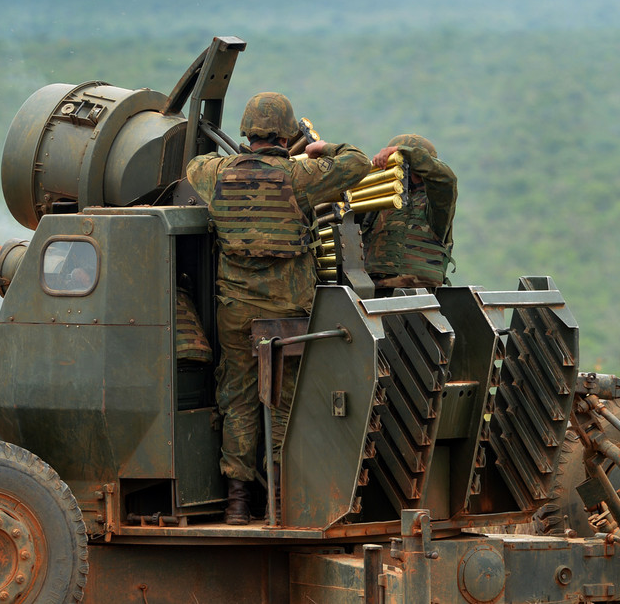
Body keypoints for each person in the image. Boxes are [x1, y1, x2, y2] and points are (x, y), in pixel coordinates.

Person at [185, 92, 371, 524]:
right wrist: (320, 147)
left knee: (238, 400)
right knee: (285, 402)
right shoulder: (299, 176)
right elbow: (359, 162)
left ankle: (237, 503)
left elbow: (195, 164)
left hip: (236, 311)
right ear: (286, 135)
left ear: (247, 131)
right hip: (288, 312)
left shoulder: (215, 174)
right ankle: (280, 500)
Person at [365, 134, 457, 295]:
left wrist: (402, 151)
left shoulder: (434, 207)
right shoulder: (380, 201)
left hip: (417, 295)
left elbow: (446, 180)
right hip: (372, 291)